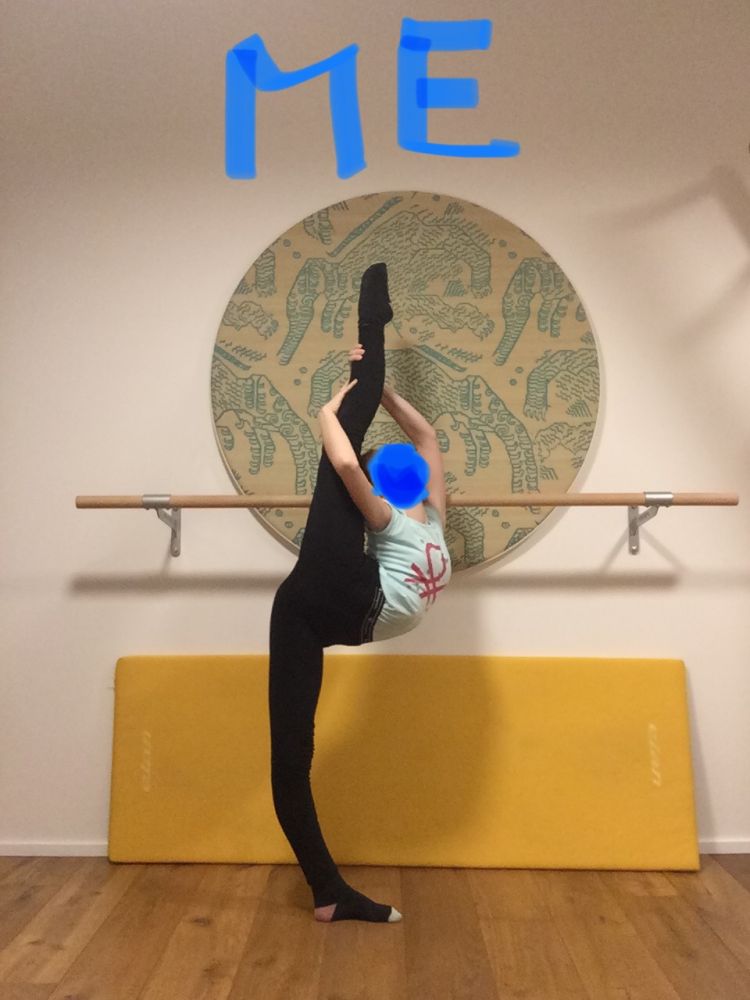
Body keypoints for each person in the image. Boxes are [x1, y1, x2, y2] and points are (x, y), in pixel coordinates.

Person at [268, 262, 452, 923]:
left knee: (291, 757)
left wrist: (339, 405)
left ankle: (372, 327)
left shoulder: (403, 518)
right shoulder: (424, 520)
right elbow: (405, 444)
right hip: (341, 605)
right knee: (292, 754)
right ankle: (328, 892)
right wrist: (362, 396)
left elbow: (366, 454)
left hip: (338, 603)